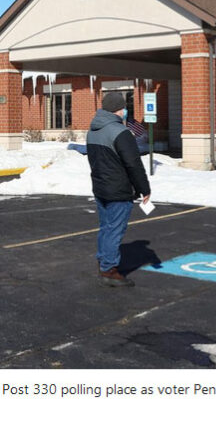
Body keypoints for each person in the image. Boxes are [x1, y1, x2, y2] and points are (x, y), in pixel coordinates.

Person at [87, 92, 151, 287]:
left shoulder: (92, 130)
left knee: (106, 227)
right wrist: (144, 188)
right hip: (118, 190)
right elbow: (133, 163)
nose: (126, 111)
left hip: (100, 187)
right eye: (124, 107)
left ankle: (103, 259)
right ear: (119, 109)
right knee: (115, 229)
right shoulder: (120, 132)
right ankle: (109, 269)